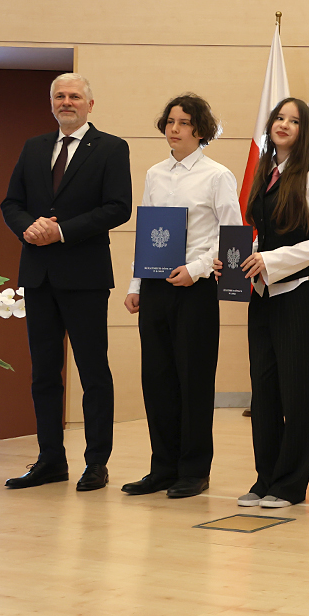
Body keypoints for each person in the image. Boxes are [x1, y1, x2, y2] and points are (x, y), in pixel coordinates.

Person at [1, 73, 131, 491]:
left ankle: (96, 463)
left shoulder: (111, 147)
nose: (67, 102)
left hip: (85, 277)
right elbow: (11, 203)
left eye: (75, 96)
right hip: (39, 275)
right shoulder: (34, 147)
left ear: (90, 104)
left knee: (93, 373)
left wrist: (61, 231)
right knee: (44, 373)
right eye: (59, 96)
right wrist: (28, 227)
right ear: (52, 103)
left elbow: (118, 207)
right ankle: (51, 460)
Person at [121, 94, 240, 499]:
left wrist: (198, 268)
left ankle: (194, 470)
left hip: (195, 288)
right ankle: (162, 468)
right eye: (170, 121)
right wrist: (136, 285)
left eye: (184, 122)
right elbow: (147, 232)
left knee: (193, 380)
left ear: (200, 129)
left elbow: (233, 234)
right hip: (155, 286)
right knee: (157, 380)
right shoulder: (155, 173)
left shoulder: (217, 175)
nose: (174, 128)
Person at [230, 97, 309, 509]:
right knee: (265, 392)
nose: (284, 124)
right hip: (264, 295)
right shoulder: (265, 173)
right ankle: (266, 478)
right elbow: (265, 233)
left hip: (301, 294)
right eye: (279, 117)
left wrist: (269, 261)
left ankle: (290, 484)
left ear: (304, 131)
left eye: (294, 120)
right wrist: (241, 258)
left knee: (298, 393)